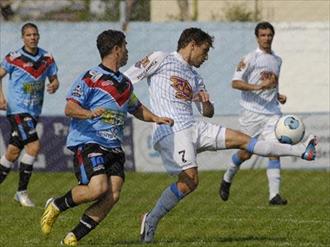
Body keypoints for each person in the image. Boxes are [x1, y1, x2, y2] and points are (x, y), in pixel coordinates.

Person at [124, 27, 318, 243]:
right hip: (171, 129)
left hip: (194, 126)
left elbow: (208, 113)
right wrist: (141, 112)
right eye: (204, 51)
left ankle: (303, 151)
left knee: (244, 141)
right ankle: (150, 219)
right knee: (190, 181)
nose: (206, 57)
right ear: (192, 44)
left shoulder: (195, 76)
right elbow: (125, 81)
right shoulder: (160, 58)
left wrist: (205, 102)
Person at [40, 29, 173, 246]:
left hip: (114, 147)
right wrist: (89, 113)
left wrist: (156, 118)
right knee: (98, 188)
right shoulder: (91, 77)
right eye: (125, 46)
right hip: (90, 141)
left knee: (113, 194)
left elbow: (136, 108)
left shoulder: (125, 83)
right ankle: (56, 205)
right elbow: (70, 108)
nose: (128, 51)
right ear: (116, 49)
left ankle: (72, 238)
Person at [219, 21, 290, 205]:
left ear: (273, 36)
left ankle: (274, 196)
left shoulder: (277, 60)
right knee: (246, 154)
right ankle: (227, 178)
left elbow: (273, 84)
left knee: (275, 150)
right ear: (257, 37)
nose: (267, 38)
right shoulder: (250, 58)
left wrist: (278, 95)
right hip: (251, 114)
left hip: (272, 113)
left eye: (269, 35)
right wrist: (259, 86)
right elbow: (235, 83)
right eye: (263, 35)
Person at [0, 22, 59, 207]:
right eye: (28, 35)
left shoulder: (47, 58)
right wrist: (1, 98)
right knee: (33, 147)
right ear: (23, 38)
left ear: (38, 36)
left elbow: (54, 79)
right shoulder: (13, 58)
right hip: (17, 110)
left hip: (34, 111)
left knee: (12, 152)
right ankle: (21, 192)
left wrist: (54, 85)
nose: (32, 37)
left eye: (35, 34)